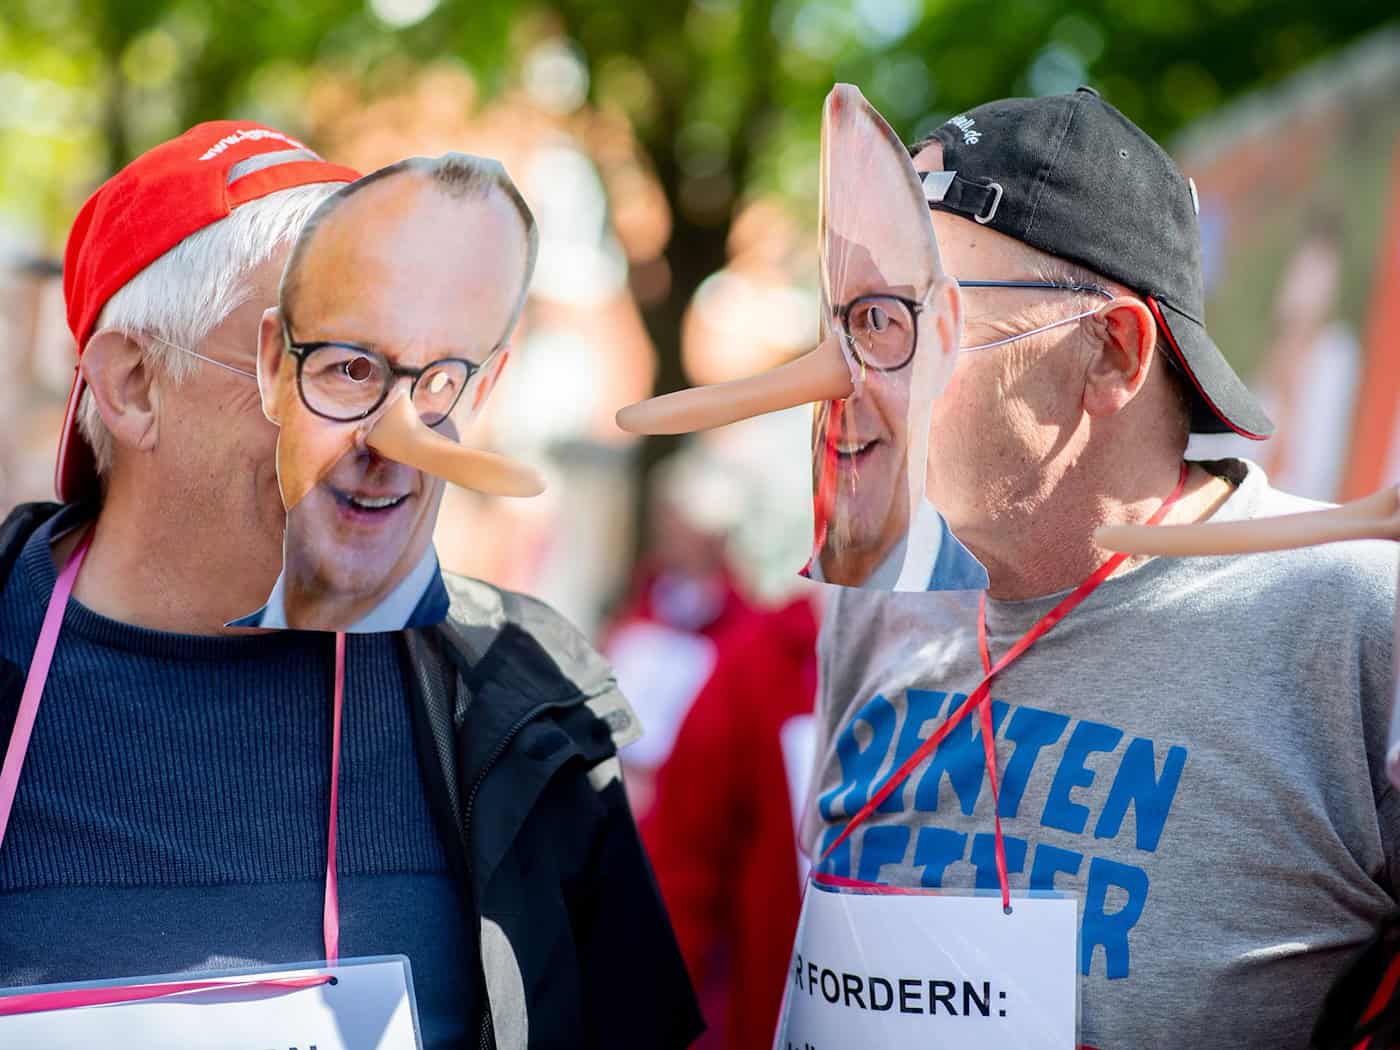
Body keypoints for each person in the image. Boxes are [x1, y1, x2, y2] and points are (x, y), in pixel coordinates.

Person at [0, 122, 702, 1049]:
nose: (399, 442)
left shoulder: (519, 702)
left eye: (433, 376)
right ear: (133, 384)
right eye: (342, 368)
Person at [802, 87, 1397, 1048]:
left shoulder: (1352, 622)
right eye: (857, 323)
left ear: (1112, 354)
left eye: (919, 318)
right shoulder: (876, 606)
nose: (857, 378)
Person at [231, 155, 531, 632]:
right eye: (355, 369)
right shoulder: (175, 665)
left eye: (440, 383)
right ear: (274, 365)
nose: (390, 443)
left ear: (482, 395)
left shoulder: (524, 701)